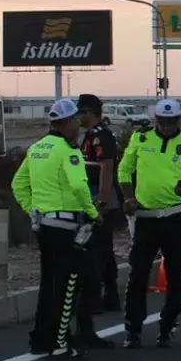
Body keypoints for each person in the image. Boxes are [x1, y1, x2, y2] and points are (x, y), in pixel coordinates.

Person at [10, 98, 101, 359]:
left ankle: (41, 339)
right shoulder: (67, 151)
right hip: (67, 226)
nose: (79, 126)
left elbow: (18, 185)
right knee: (69, 284)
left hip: (45, 225)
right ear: (68, 122)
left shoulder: (37, 148)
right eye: (76, 121)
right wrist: (94, 213)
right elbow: (78, 186)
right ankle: (60, 342)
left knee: (49, 283)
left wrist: (33, 210)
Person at [117, 98, 181, 349]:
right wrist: (128, 197)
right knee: (137, 274)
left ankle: (167, 327)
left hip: (176, 217)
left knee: (176, 275)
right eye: (163, 121)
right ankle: (133, 329)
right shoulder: (141, 139)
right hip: (146, 218)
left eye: (172, 121)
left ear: (179, 120)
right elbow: (124, 170)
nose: (167, 126)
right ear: (155, 120)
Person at [77, 94, 124, 317]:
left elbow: (106, 169)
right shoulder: (86, 136)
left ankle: (104, 297)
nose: (78, 117)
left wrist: (102, 203)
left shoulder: (101, 136)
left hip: (101, 198)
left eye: (81, 112)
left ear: (89, 112)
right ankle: (103, 296)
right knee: (96, 249)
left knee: (99, 250)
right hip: (91, 196)